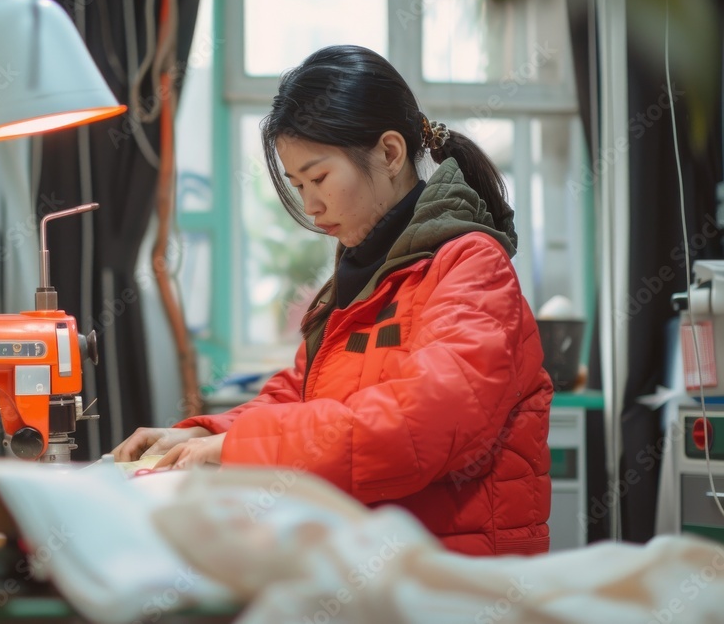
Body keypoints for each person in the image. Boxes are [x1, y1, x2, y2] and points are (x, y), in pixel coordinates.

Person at [113, 45, 553, 556]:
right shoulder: (363, 272)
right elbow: (302, 396)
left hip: (456, 582)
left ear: (390, 154)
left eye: (319, 178)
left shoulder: (471, 267)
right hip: (379, 568)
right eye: (298, 184)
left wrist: (233, 448)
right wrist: (196, 435)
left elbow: (415, 427)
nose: (310, 205)